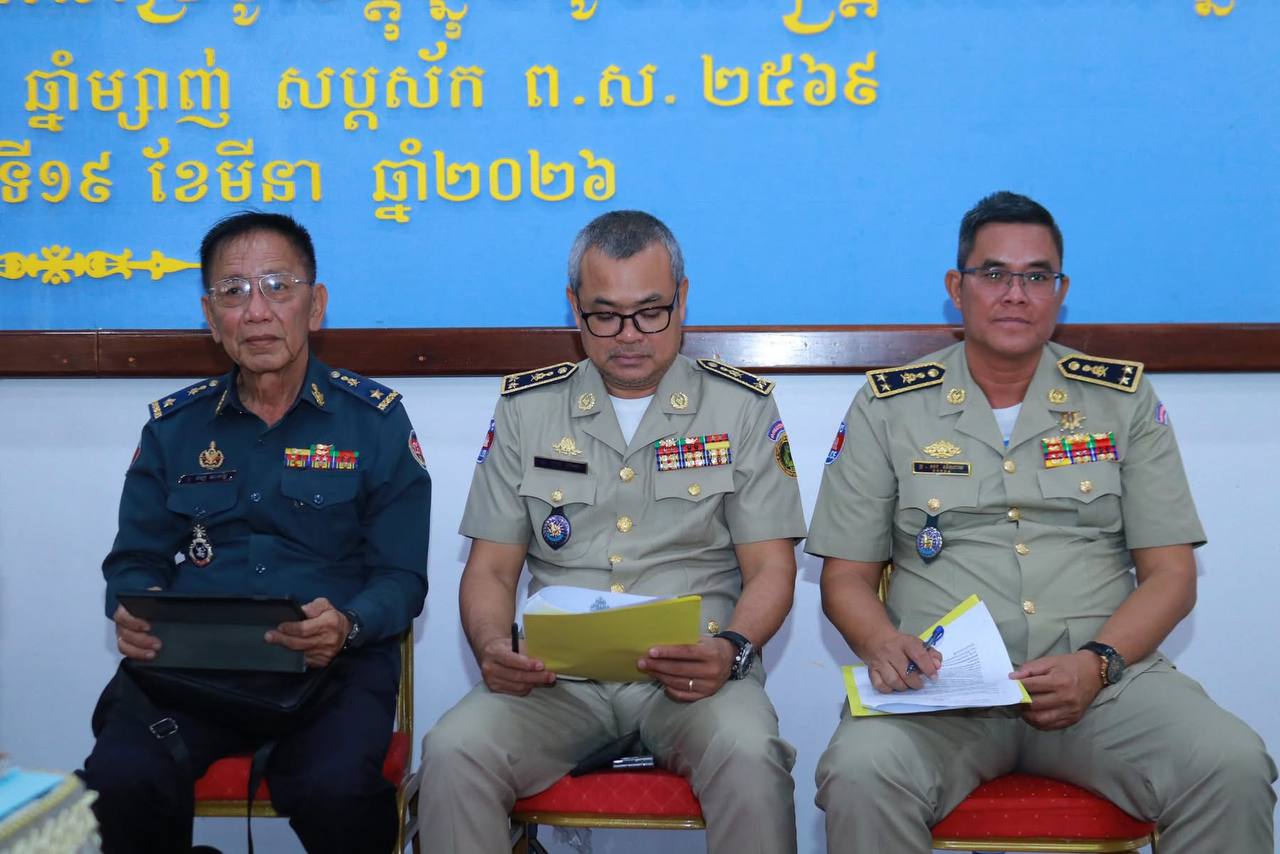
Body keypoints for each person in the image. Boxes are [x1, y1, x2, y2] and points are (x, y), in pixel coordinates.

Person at [807, 190, 1277, 852]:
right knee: (860, 772)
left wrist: (1098, 663)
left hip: (1104, 686)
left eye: (1036, 277)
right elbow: (845, 578)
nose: (1015, 294)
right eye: (994, 273)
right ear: (957, 288)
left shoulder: (1122, 401)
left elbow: (1172, 575)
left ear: (1061, 292)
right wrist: (883, 643)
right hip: (942, 694)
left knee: (1231, 765)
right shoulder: (889, 406)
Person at [418, 210, 805, 853]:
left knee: (750, 752)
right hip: (558, 682)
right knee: (454, 750)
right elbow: (490, 568)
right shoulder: (527, 409)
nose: (629, 335)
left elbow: (772, 567)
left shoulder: (740, 406)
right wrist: (491, 647)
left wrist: (733, 648)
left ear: (682, 299)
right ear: (575, 308)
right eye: (605, 315)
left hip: (695, 678)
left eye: (650, 312)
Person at [79, 212, 431, 854]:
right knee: (119, 779)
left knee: (337, 792)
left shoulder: (374, 421)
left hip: (330, 667)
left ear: (315, 306)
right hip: (195, 669)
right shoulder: (174, 427)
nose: (257, 311)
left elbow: (401, 578)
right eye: (233, 292)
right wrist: (134, 607)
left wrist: (348, 624)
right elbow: (134, 560)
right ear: (211, 318)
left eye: (278, 286)